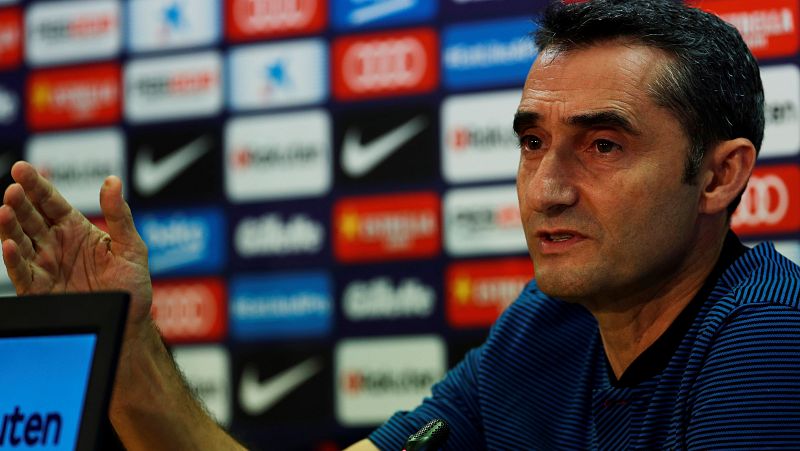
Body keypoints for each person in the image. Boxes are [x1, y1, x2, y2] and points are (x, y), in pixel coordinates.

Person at [0, 0, 798, 449]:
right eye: (532, 143)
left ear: (720, 175)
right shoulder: (546, 327)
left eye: (602, 146)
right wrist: (129, 347)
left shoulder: (764, 339)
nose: (548, 188)